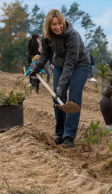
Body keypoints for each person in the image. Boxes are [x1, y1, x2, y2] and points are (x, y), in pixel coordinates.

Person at [29, 9, 90, 148]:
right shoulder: (47, 37)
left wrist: (61, 85)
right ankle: (60, 133)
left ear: (63, 22)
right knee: (57, 97)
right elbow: (44, 55)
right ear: (48, 26)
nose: (57, 27)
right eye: (53, 25)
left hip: (79, 65)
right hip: (60, 64)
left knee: (73, 100)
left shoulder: (72, 35)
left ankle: (69, 136)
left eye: (59, 24)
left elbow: (70, 63)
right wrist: (36, 69)